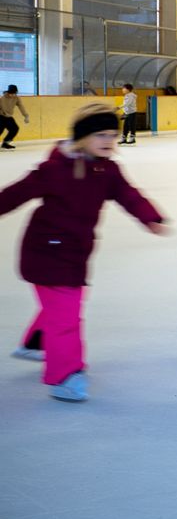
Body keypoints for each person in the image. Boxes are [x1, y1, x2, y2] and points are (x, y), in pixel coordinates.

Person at [3, 102, 166, 402]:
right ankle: (64, 375)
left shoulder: (108, 169)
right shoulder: (55, 169)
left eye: (112, 135)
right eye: (100, 135)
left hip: (76, 251)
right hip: (46, 252)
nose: (108, 141)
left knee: (64, 305)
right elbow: (16, 193)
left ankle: (36, 342)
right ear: (82, 137)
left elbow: (128, 194)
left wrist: (149, 215)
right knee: (67, 314)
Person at [0, 84, 31, 149]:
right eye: (11, 93)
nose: (13, 95)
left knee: (14, 129)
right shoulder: (2, 98)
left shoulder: (17, 98)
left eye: (14, 93)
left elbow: (21, 106)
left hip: (9, 117)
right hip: (1, 116)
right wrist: (3, 113)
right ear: (8, 92)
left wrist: (26, 116)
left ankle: (5, 143)